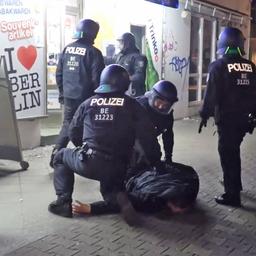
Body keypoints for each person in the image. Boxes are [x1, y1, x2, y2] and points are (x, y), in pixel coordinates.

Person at [48, 64, 162, 225]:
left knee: (59, 156)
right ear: (125, 84)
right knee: (111, 189)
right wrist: (154, 164)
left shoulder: (88, 104)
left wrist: (84, 148)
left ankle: (63, 202)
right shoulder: (133, 105)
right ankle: (120, 199)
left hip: (90, 162)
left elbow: (73, 131)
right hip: (120, 165)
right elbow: (148, 138)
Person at [198, 27, 256, 207]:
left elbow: (211, 95)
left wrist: (204, 114)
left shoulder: (218, 66)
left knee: (228, 155)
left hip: (227, 120)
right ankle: (233, 183)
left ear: (222, 44)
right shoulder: (251, 67)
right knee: (233, 152)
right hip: (245, 121)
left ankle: (232, 195)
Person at [49, 19, 105, 167]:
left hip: (69, 96)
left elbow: (59, 74)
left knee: (67, 125)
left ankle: (56, 154)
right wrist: (99, 99)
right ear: (93, 34)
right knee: (89, 127)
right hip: (87, 98)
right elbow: (97, 80)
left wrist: (62, 93)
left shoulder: (67, 49)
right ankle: (89, 157)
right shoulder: (94, 52)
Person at [72, 162, 199, 216]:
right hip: (132, 176)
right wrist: (91, 208)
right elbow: (119, 203)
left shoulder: (188, 187)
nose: (179, 212)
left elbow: (189, 172)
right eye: (179, 208)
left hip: (147, 168)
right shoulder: (150, 198)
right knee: (111, 189)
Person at [133, 80, 178, 168]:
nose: (161, 107)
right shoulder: (138, 107)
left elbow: (168, 135)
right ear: (153, 97)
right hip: (132, 143)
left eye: (166, 105)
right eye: (159, 103)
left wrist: (168, 157)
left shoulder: (167, 114)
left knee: (155, 158)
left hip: (150, 140)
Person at [114, 32, 147, 97]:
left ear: (127, 43)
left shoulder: (139, 57)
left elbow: (139, 76)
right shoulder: (120, 56)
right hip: (121, 92)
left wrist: (123, 78)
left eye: (121, 42)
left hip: (134, 93)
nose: (119, 45)